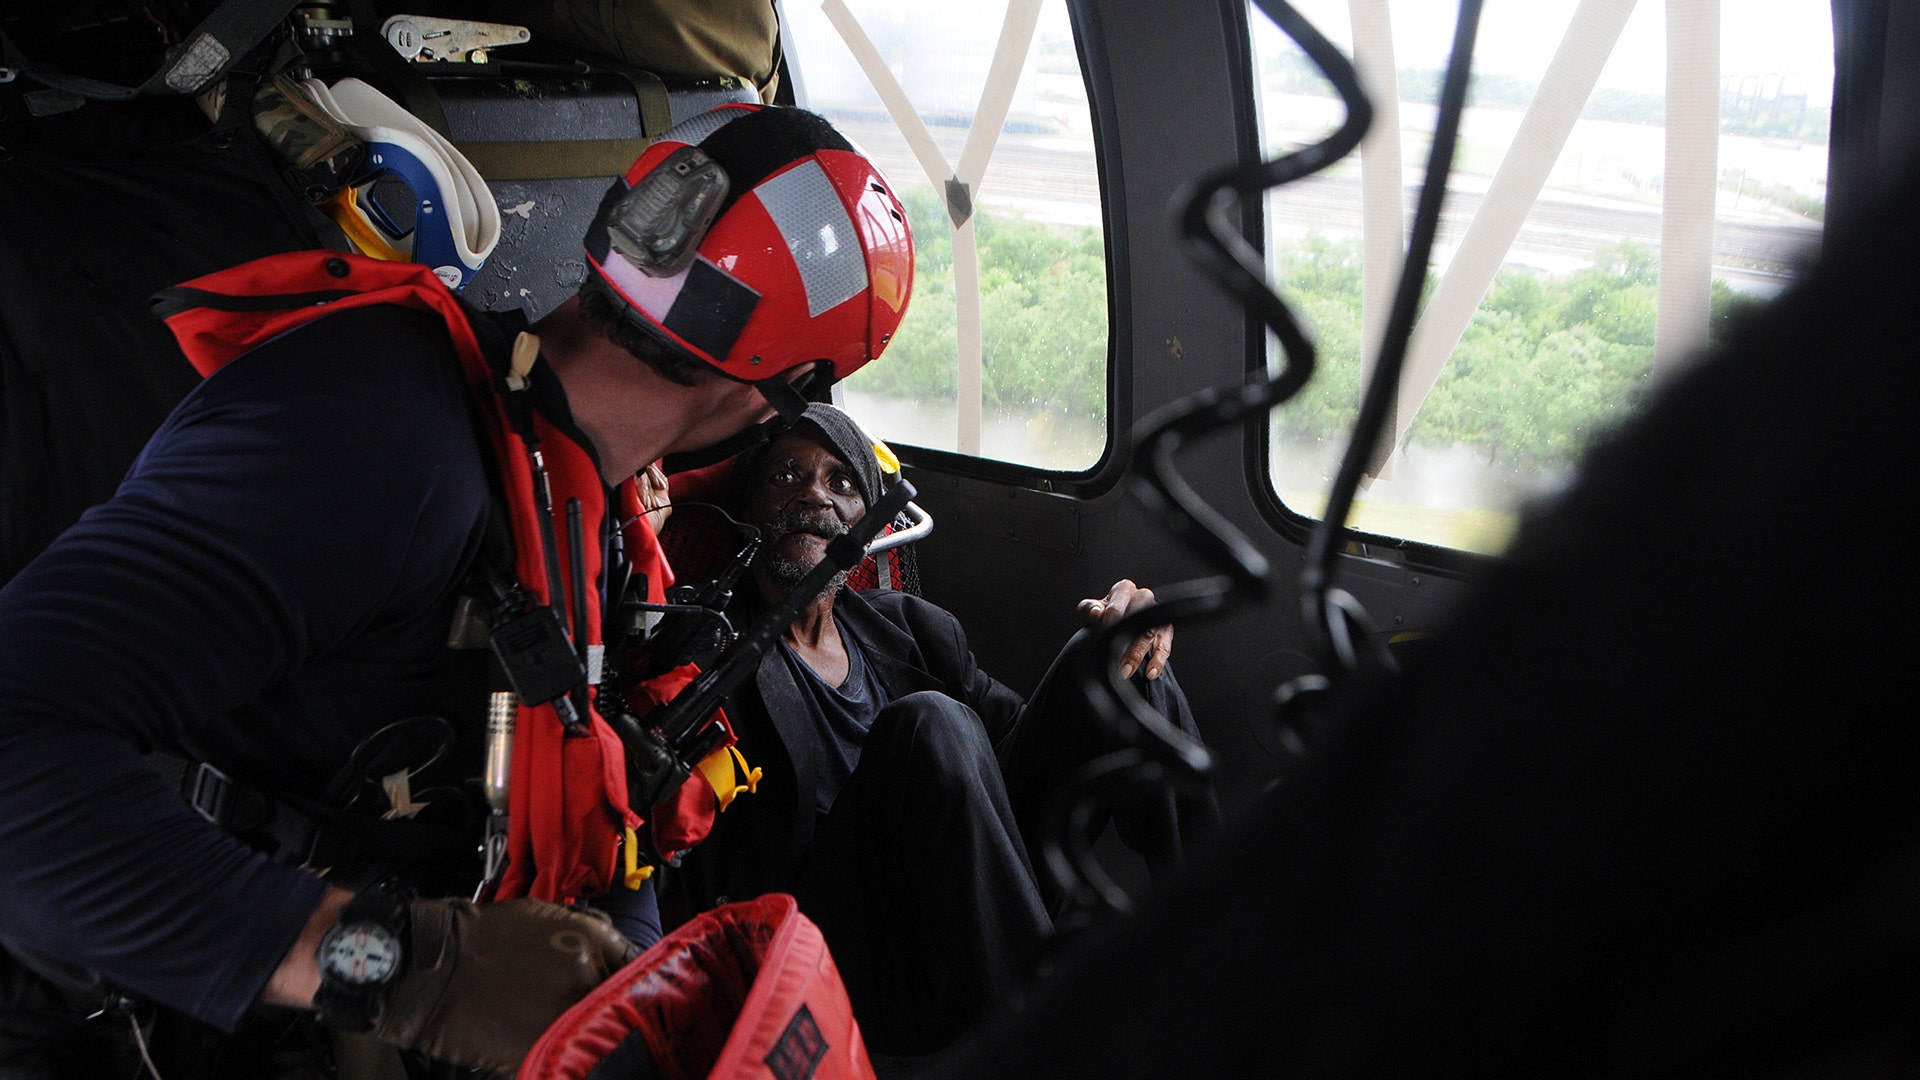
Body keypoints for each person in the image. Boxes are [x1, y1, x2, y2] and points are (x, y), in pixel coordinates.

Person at [0, 102, 913, 1078]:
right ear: (779, 390)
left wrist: (630, 993)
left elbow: (578, 769)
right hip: (108, 1015)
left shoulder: (566, 495)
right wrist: (413, 971)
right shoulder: (386, 435)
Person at [658, 403, 1218, 1060]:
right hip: (842, 955)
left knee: (1110, 663)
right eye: (786, 475)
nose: (814, 492)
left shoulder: (915, 628)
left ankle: (1217, 957)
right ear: (747, 511)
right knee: (930, 723)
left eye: (842, 483)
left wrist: (1118, 640)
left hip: (977, 914)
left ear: (865, 526)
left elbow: (1020, 756)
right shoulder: (711, 653)